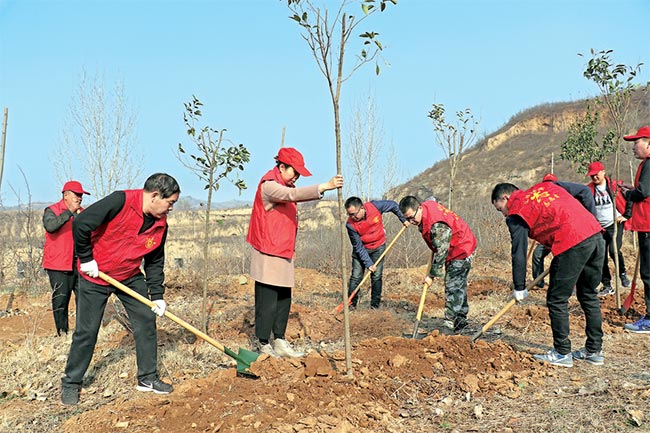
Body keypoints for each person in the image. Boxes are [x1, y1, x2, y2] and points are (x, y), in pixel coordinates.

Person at [60, 173, 180, 405]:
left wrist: (158, 296)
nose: (171, 208)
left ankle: (147, 378)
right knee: (87, 331)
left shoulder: (160, 224)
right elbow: (81, 224)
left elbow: (155, 261)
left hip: (128, 275)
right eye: (170, 202)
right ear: (155, 195)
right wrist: (86, 258)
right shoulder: (120, 201)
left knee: (146, 320)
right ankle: (71, 382)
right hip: (95, 274)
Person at [491, 180, 605, 367]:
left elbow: (518, 252)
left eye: (500, 209)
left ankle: (562, 353)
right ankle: (594, 350)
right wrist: (590, 223)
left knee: (556, 298)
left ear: (506, 197)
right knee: (588, 294)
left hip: (572, 241)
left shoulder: (516, 212)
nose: (503, 213)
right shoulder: (547, 186)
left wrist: (519, 286)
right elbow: (584, 191)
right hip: (595, 235)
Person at [247, 148, 343, 357]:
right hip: (268, 251)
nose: (297, 176)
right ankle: (263, 343)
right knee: (267, 300)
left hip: (284, 250)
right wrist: (324, 186)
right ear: (281, 167)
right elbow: (291, 196)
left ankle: (279, 339)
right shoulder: (270, 185)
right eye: (294, 171)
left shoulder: (285, 183)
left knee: (283, 299)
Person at [398, 195, 476, 332]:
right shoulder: (427, 207)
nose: (411, 221)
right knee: (458, 283)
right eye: (407, 219)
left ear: (420, 208)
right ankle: (460, 320)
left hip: (461, 247)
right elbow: (432, 200)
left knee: (453, 284)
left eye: (412, 217)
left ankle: (450, 322)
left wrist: (431, 276)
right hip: (456, 245)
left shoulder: (436, 224)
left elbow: (441, 251)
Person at [42, 180, 90, 336]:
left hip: (79, 263)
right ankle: (62, 333)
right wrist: (69, 212)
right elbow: (51, 226)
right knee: (61, 300)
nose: (80, 198)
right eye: (77, 195)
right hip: (58, 264)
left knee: (83, 298)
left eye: (81, 195)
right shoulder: (52, 210)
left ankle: (82, 332)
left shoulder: (82, 213)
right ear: (66, 195)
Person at [344, 196, 409, 309]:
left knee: (376, 276)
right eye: (350, 215)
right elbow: (358, 247)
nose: (352, 217)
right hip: (361, 251)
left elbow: (393, 205)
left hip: (378, 247)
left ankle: (375, 306)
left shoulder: (375, 206)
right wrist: (368, 263)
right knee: (356, 277)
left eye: (354, 214)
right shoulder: (350, 225)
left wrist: (403, 219)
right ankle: (351, 305)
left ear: (362, 208)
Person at [586, 161, 633, 296]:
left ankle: (622, 273)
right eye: (592, 176)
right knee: (600, 256)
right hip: (598, 228)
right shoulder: (589, 190)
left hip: (614, 224)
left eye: (596, 174)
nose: (594, 178)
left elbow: (630, 196)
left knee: (614, 250)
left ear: (603, 172)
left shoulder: (614, 186)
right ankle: (607, 285)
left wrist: (626, 215)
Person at [621, 126, 650, 333]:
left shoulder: (649, 164)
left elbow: (644, 192)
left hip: (648, 225)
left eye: (636, 142)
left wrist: (629, 194)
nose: (633, 147)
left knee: (648, 273)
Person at [530, 174, 556, 288]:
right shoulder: (540, 200)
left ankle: (561, 285)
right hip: (546, 237)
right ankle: (538, 282)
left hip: (560, 236)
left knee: (561, 260)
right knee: (537, 255)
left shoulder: (561, 198)